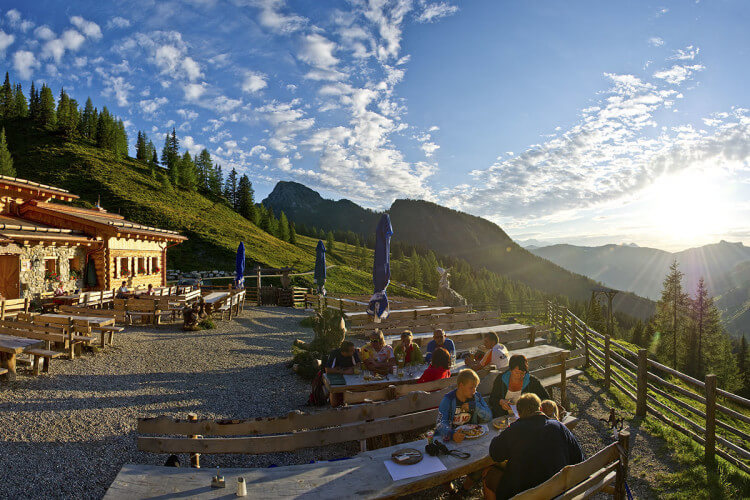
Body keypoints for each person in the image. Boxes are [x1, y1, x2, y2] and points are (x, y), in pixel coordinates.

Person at [484, 393, 583, 500]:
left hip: (523, 493)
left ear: (519, 413)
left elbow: (495, 454)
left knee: (488, 473)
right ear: (540, 408)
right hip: (559, 489)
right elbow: (578, 458)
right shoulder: (559, 426)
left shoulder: (514, 430)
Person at [436, 369, 492, 443]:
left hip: (472, 436)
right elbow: (441, 423)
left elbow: (489, 417)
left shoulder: (476, 397)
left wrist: (476, 407)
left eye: (476, 387)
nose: (474, 391)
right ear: (461, 385)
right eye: (471, 387)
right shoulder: (449, 399)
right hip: (453, 440)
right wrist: (452, 434)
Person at [324, 340, 361, 406]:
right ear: (345, 352)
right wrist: (343, 372)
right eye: (352, 351)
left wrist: (351, 369)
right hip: (336, 377)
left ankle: (355, 403)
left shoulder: (353, 352)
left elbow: (358, 364)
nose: (354, 351)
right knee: (337, 390)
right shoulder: (334, 353)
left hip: (350, 376)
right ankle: (335, 404)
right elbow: (328, 370)